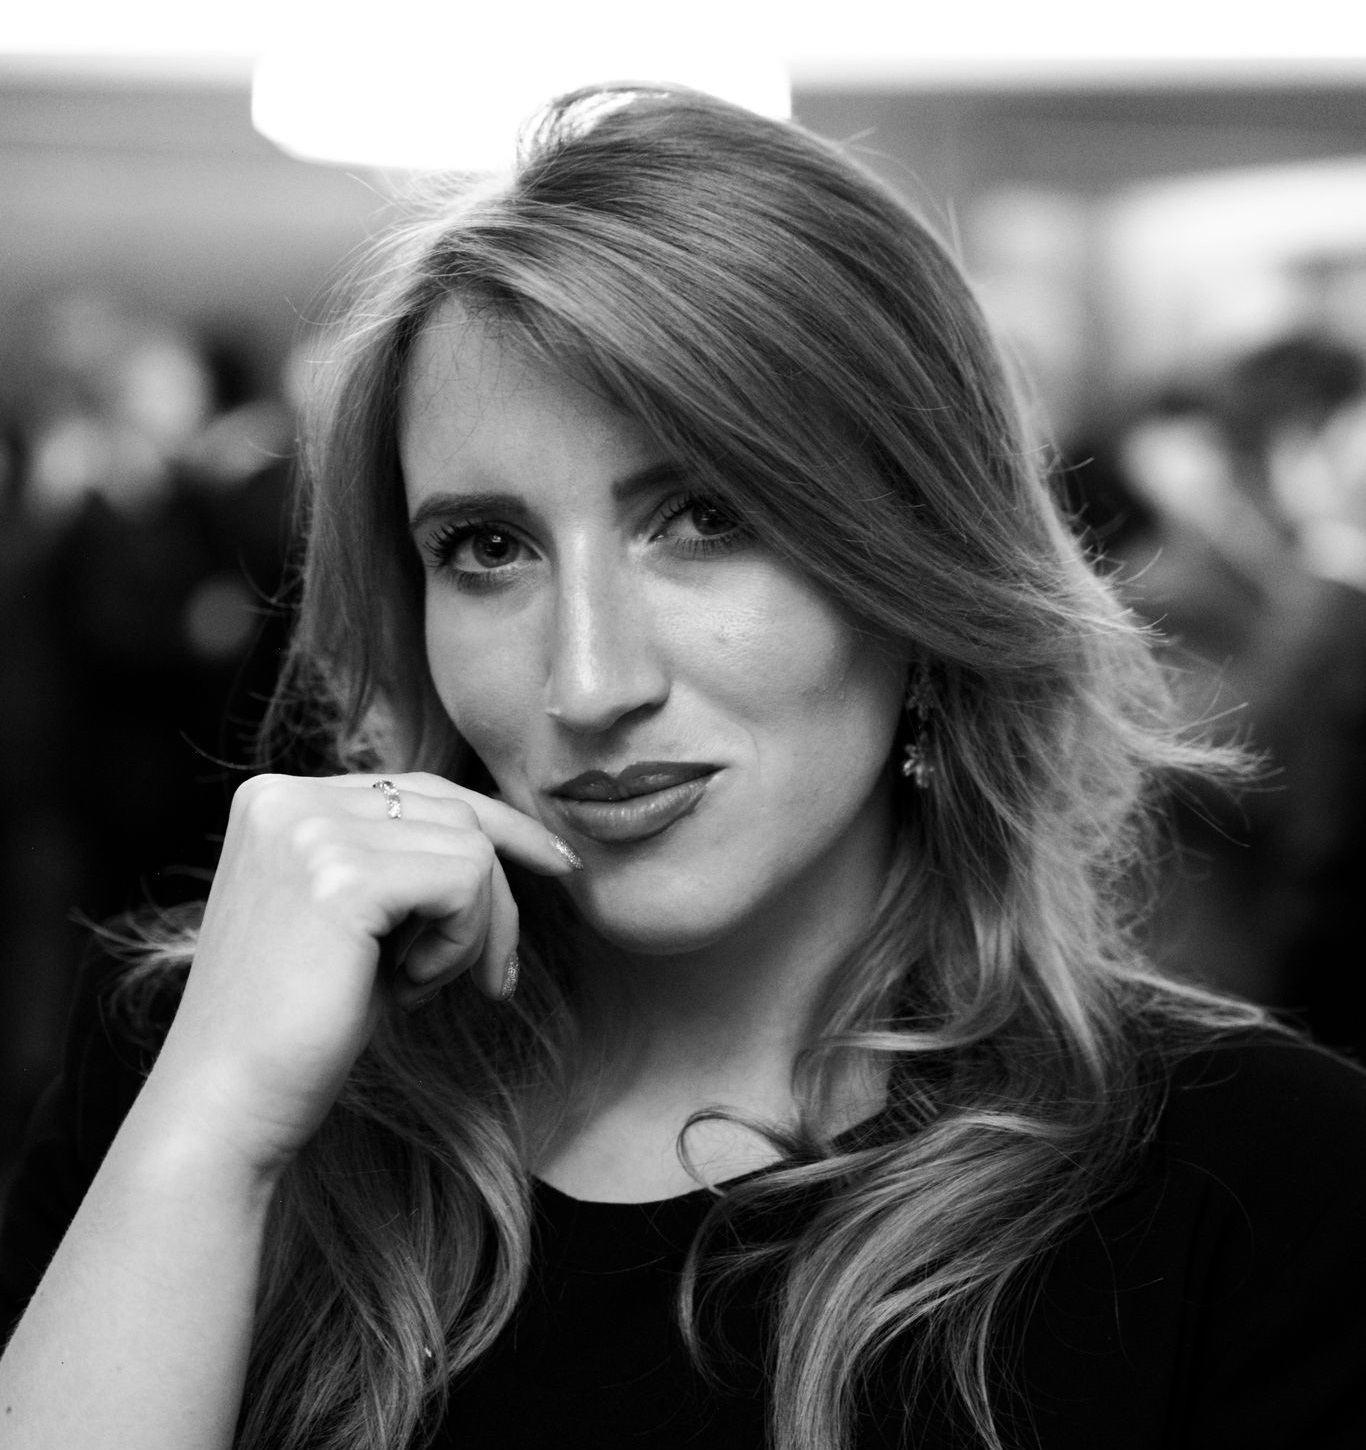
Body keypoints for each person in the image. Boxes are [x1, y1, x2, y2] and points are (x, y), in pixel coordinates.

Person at [1, 85, 1364, 1450]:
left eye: (705, 517)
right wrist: (212, 1131)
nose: (589, 682)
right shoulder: (199, 1066)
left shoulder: (1260, 1181)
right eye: (487, 548)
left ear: (921, 562)